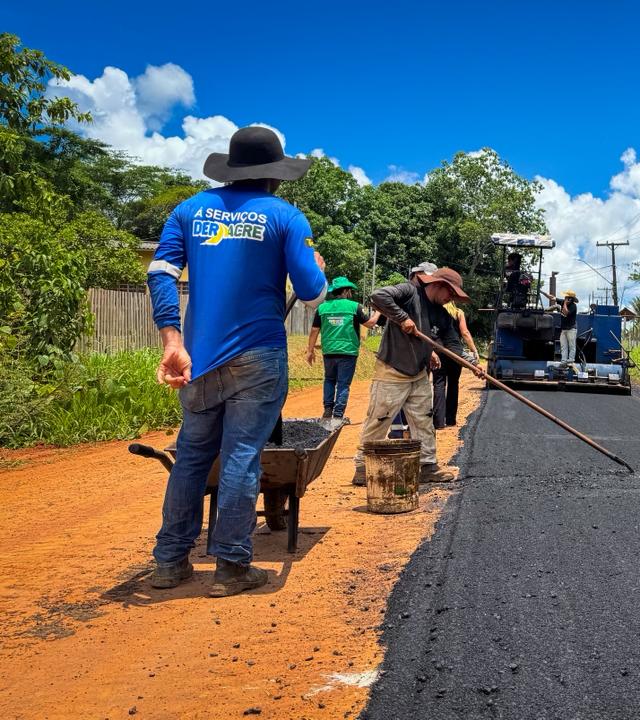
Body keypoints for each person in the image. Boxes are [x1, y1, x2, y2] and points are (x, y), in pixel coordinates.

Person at [147, 126, 327, 597]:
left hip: (197, 358)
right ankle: (230, 567)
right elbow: (311, 292)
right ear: (275, 177)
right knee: (242, 457)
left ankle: (169, 563)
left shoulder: (188, 210)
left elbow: (160, 272)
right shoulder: (287, 217)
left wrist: (171, 337)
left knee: (191, 457)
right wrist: (319, 270)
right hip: (257, 357)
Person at [353, 264, 478, 486]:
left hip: (418, 372)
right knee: (379, 418)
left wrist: (472, 365)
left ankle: (427, 466)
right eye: (450, 293)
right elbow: (377, 296)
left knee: (424, 419)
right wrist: (402, 318)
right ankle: (363, 466)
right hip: (392, 368)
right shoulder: (409, 292)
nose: (451, 299)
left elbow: (452, 344)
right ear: (439, 286)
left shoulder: (441, 313)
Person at [306, 277, 379, 421]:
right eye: (350, 291)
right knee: (343, 383)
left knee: (329, 380)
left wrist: (310, 350)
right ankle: (338, 415)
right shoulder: (354, 307)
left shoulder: (322, 307)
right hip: (348, 351)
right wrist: (379, 311)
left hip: (329, 350)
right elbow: (370, 324)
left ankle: (327, 410)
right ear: (345, 291)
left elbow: (314, 330)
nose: (350, 293)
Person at [431, 300, 481, 429]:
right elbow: (465, 333)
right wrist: (474, 350)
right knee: (453, 384)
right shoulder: (458, 313)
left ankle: (438, 421)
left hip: (439, 352)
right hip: (455, 353)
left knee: (439, 384)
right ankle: (451, 420)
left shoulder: (435, 313)